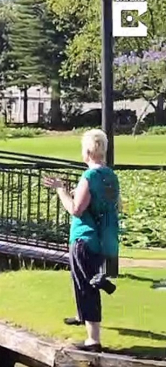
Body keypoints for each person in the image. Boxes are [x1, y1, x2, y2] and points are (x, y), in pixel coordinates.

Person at [43, 129, 121, 353]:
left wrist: (60, 190)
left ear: (87, 151)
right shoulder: (110, 175)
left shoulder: (89, 176)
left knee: (85, 285)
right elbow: (112, 205)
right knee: (87, 281)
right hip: (104, 239)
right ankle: (82, 314)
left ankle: (93, 340)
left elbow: (76, 210)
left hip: (84, 238)